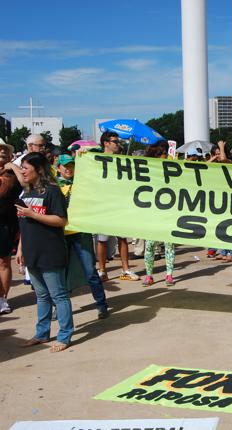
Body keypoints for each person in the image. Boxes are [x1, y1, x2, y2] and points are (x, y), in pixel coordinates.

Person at [16, 152, 74, 352]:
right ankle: (42, 333)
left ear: (38, 169)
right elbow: (24, 223)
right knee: (41, 296)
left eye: (25, 167)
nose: (22, 171)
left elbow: (61, 220)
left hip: (50, 251)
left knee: (59, 295)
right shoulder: (26, 192)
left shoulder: (52, 191)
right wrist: (21, 249)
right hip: (32, 252)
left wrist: (32, 214)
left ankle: (65, 335)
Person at [57, 154, 110, 319]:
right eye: (65, 165)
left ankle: (101, 304)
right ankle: (59, 308)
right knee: (61, 274)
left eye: (72, 165)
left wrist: (85, 154)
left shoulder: (83, 183)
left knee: (90, 271)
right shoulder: (53, 185)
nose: (68, 169)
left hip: (81, 233)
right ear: (58, 167)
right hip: (60, 235)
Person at [95, 131, 139, 282]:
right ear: (106, 143)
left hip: (119, 204)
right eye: (114, 141)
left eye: (118, 141)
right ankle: (102, 270)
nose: (117, 144)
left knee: (122, 238)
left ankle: (126, 269)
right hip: (104, 204)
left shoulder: (122, 159)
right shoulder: (96, 159)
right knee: (102, 239)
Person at [141, 141, 176, 286]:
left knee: (169, 244)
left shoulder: (171, 166)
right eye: (164, 154)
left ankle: (169, 275)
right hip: (153, 212)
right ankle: (149, 275)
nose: (166, 156)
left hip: (168, 210)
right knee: (149, 245)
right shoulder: (147, 168)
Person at [0, 141, 21, 314]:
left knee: (3, 261)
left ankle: (3, 299)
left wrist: (13, 167)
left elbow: (26, 185)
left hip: (6, 224)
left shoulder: (13, 173)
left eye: (5, 151)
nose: (2, 153)